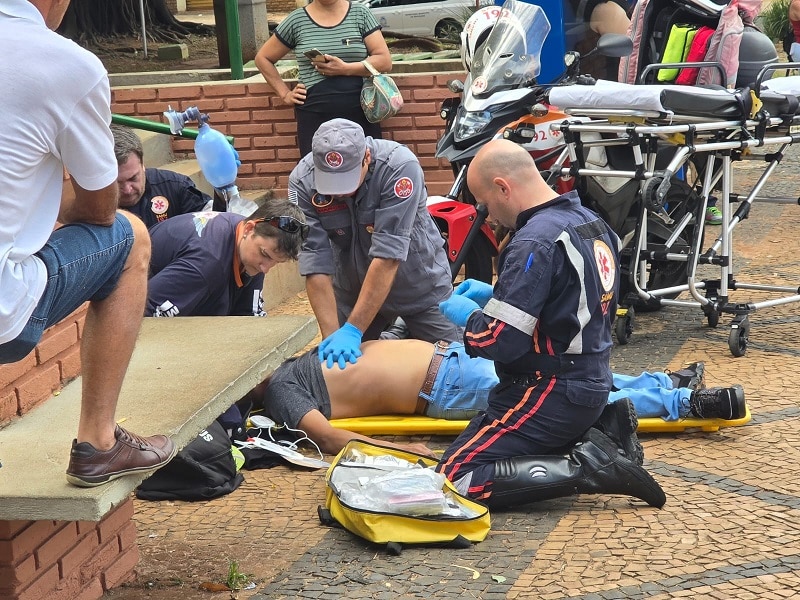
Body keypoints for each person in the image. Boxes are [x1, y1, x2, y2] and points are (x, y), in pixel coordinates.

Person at [434, 139, 666, 510]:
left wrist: (470, 319)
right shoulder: (592, 222)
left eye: (485, 204)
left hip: (548, 391)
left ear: (503, 188)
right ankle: (602, 431)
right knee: (472, 452)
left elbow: (501, 341)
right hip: (588, 382)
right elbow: (569, 303)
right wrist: (496, 297)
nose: (487, 216)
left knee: (453, 479)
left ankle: (587, 465)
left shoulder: (534, 240)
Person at [0, 0, 176, 487]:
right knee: (130, 235)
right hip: (4, 314)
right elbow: (101, 209)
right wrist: (51, 201)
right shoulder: (66, 64)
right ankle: (98, 442)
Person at [260, 340, 746, 456]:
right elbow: (328, 437)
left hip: (451, 361)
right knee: (568, 392)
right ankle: (688, 404)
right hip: (446, 386)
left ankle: (666, 386)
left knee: (569, 372)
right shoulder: (281, 389)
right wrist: (403, 451)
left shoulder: (290, 361)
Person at [290, 118, 460, 369]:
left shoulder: (399, 167)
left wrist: (353, 330)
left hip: (418, 285)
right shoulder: (303, 181)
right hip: (352, 290)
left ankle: (402, 329)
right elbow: (315, 261)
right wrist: (334, 336)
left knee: (458, 366)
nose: (337, 193)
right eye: (330, 182)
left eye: (346, 180)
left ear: (366, 156)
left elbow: (387, 257)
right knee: (342, 369)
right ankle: (397, 333)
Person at [254, 0, 392, 156]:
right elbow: (263, 58)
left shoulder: (360, 13)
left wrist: (345, 69)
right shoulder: (297, 20)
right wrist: (285, 94)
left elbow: (384, 61)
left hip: (361, 109)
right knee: (316, 169)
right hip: (314, 112)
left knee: (366, 166)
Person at [146, 199, 308, 317]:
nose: (266, 268)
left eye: (275, 262)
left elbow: (248, 319)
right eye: (265, 255)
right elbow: (141, 310)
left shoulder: (246, 245)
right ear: (249, 229)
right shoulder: (207, 260)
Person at [112, 123, 212, 228]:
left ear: (143, 165)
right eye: (117, 183)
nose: (127, 190)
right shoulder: (94, 203)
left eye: (133, 178)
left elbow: (212, 221)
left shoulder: (175, 186)